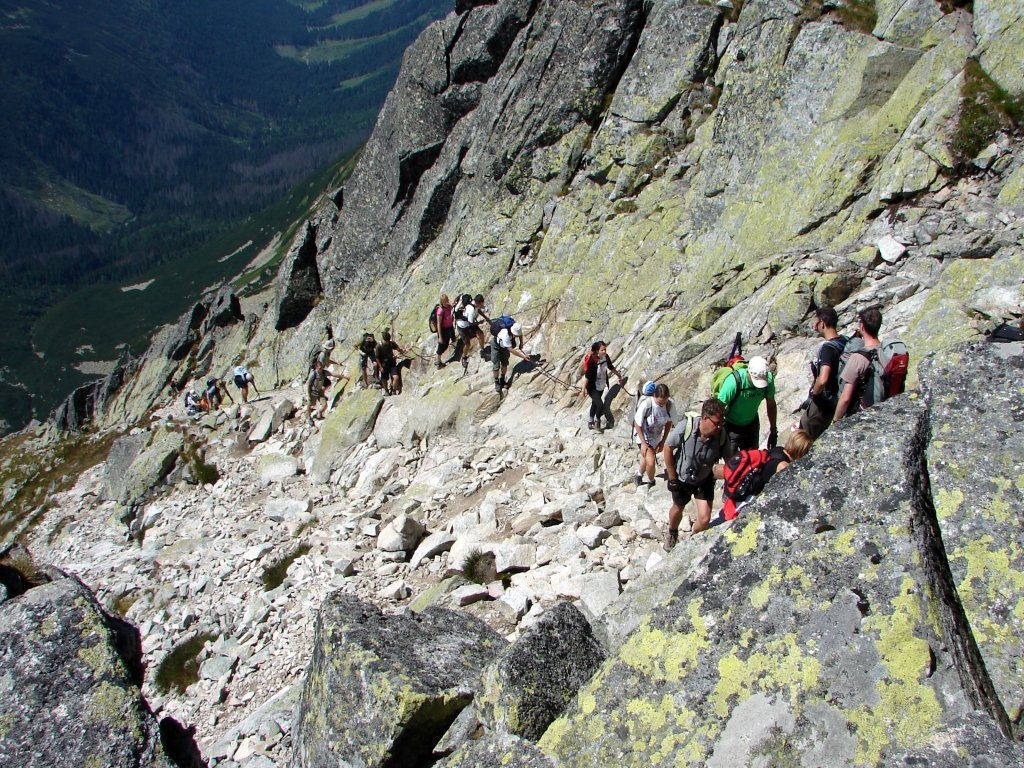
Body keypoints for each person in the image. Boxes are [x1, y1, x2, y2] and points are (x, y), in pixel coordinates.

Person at [663, 398, 733, 548]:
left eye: (721, 423)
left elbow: (729, 459)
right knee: (677, 507)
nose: (719, 426)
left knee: (705, 518)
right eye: (716, 423)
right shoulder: (686, 427)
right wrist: (672, 477)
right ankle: (672, 532)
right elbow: (668, 447)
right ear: (705, 418)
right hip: (682, 478)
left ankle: (692, 541)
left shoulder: (721, 436)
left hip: (704, 478)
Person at [714, 428, 813, 520]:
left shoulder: (779, 450)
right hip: (749, 500)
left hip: (744, 493)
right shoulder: (784, 467)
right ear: (801, 451)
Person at [798, 307, 846, 439]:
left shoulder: (828, 348)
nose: (814, 326)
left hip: (824, 403)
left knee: (805, 432)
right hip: (839, 398)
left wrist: (815, 392)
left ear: (822, 323)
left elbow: (823, 378)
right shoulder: (844, 341)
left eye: (816, 322)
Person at [833, 307, 884, 422]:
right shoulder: (886, 351)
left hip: (862, 414)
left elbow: (845, 398)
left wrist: (835, 420)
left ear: (862, 327)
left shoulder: (858, 358)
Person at [716, 355, 778, 451]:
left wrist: (773, 431)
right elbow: (718, 408)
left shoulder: (768, 379)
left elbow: (771, 405)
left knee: (753, 460)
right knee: (733, 462)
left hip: (752, 424)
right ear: (748, 372)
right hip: (731, 426)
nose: (758, 385)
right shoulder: (733, 382)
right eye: (756, 380)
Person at [633, 383, 675, 488]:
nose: (662, 405)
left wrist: (662, 441)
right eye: (659, 402)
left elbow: (669, 423)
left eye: (664, 402)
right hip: (643, 436)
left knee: (647, 457)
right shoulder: (646, 405)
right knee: (651, 462)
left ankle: (638, 475)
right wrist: (643, 443)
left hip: (656, 437)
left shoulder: (669, 405)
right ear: (654, 396)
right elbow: (637, 424)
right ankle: (651, 481)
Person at [580, 341, 623, 432]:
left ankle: (590, 421)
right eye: (602, 350)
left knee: (595, 404)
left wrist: (618, 375)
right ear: (597, 351)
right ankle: (597, 421)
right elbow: (587, 376)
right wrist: (583, 390)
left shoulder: (606, 358)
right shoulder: (593, 361)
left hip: (601, 385)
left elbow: (611, 367)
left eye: (605, 349)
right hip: (592, 387)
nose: (604, 351)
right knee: (600, 405)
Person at [452, 294, 490, 370]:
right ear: (479, 303)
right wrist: (480, 322)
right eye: (482, 304)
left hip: (468, 324)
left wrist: (486, 317)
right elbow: (470, 322)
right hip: (463, 327)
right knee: (467, 344)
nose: (482, 305)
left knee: (481, 334)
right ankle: (464, 357)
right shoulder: (471, 310)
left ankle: (483, 351)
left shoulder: (473, 303)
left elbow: (478, 310)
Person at [492, 321, 530, 393]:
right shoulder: (505, 334)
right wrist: (523, 356)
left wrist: (521, 343)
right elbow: (511, 350)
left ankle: (502, 379)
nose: (516, 336)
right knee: (496, 365)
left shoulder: (515, 329)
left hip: (504, 346)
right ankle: (496, 381)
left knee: (505, 363)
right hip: (496, 346)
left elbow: (520, 334)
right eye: (515, 335)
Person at [375, 331, 411, 396]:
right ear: (383, 339)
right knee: (384, 379)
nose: (387, 342)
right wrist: (380, 367)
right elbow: (377, 358)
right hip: (383, 365)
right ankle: (386, 390)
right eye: (386, 340)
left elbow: (399, 349)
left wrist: (405, 350)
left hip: (392, 363)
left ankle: (393, 391)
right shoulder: (378, 346)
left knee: (396, 377)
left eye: (388, 340)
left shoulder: (391, 344)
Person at [306, 358, 332, 424]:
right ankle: (309, 418)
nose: (321, 369)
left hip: (319, 391)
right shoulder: (313, 374)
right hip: (312, 391)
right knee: (310, 405)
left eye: (322, 367)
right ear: (316, 367)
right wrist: (309, 395)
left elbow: (332, 374)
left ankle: (319, 413)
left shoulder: (323, 372)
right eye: (320, 368)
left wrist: (344, 377)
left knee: (324, 404)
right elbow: (308, 385)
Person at [435, 294, 455, 369]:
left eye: (447, 300)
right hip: (443, 330)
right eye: (445, 301)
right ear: (442, 302)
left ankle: (438, 360)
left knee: (446, 344)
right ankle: (438, 362)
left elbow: (452, 308)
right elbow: (438, 324)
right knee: (442, 345)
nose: (447, 302)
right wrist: (440, 337)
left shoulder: (448, 306)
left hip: (449, 327)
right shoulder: (440, 311)